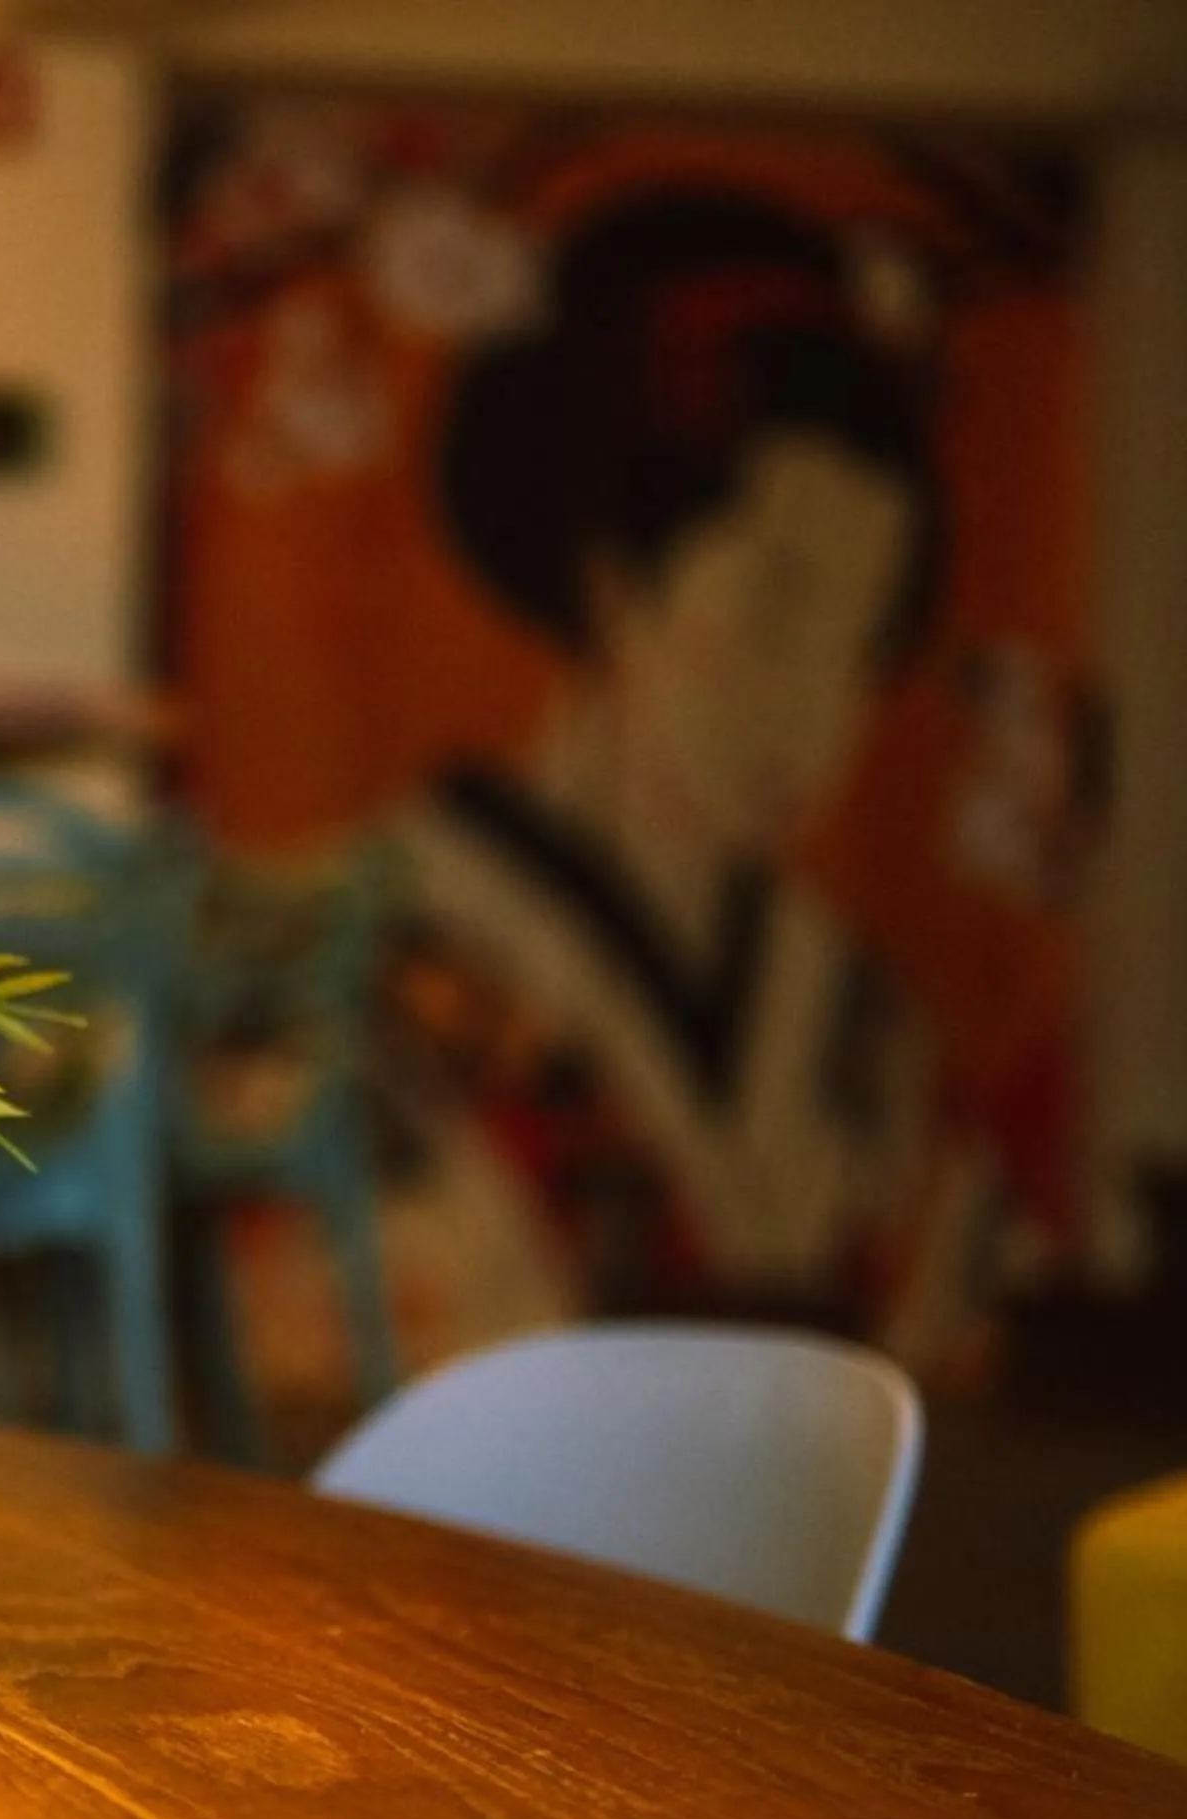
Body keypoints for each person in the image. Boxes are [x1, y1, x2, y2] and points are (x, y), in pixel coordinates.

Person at [389, 188, 995, 1371]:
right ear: (616, 581)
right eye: (775, 615)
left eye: (858, 642)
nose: (813, 712)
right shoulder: (390, 922)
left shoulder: (865, 1021)